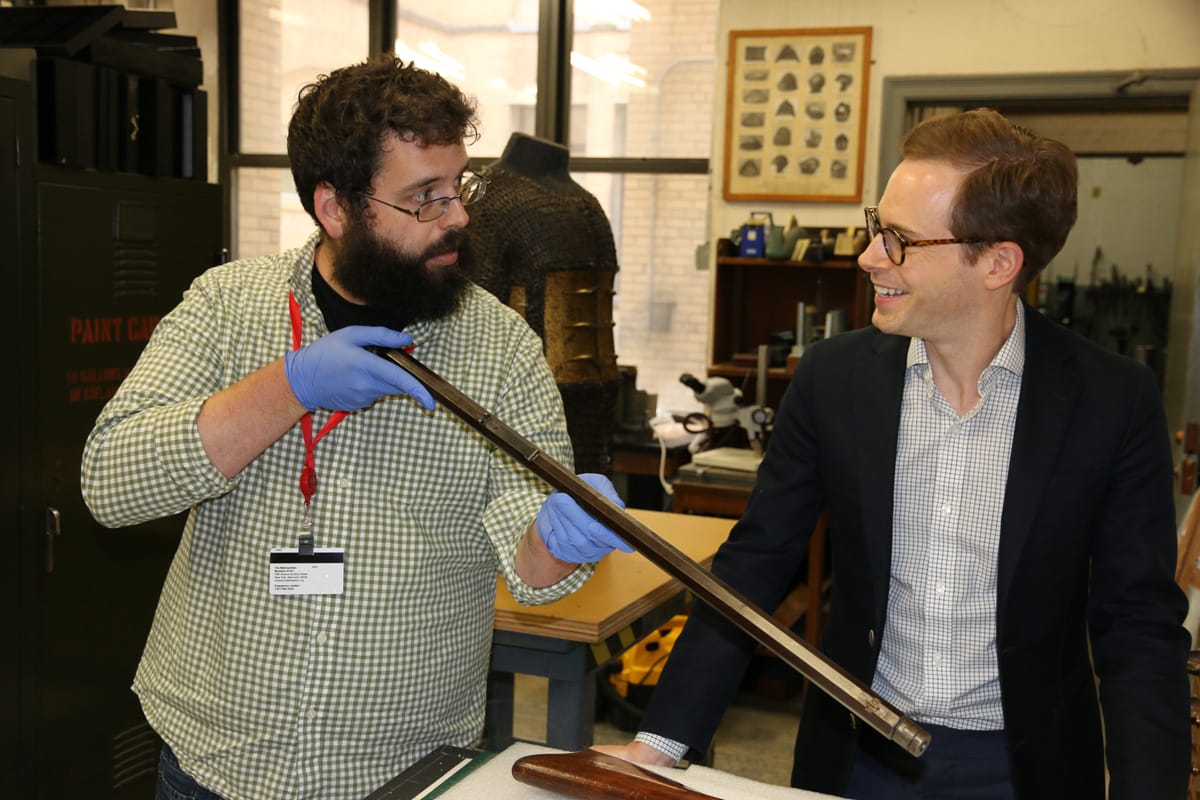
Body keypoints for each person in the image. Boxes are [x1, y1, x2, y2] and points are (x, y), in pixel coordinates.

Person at [595, 108, 1191, 799]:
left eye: (900, 240)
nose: (870, 257)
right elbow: (757, 562)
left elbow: (1138, 625)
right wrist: (662, 741)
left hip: (1028, 766)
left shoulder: (1112, 400)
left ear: (998, 262)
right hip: (856, 756)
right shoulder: (834, 378)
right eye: (879, 228)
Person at [81, 56, 630, 800]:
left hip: (405, 769)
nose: (459, 218)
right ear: (335, 208)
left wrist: (561, 539)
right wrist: (290, 386)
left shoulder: (500, 348)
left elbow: (532, 575)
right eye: (424, 199)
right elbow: (112, 483)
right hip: (214, 759)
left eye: (457, 187)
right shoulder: (226, 305)